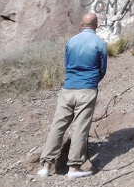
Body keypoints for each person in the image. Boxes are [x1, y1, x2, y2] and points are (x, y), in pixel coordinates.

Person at [38, 12, 107, 178]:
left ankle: (46, 166)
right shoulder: (99, 43)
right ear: (96, 25)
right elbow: (102, 69)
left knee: (57, 126)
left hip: (68, 88)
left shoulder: (71, 41)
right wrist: (93, 81)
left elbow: (67, 65)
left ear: (82, 25)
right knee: (80, 128)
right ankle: (74, 168)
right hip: (87, 89)